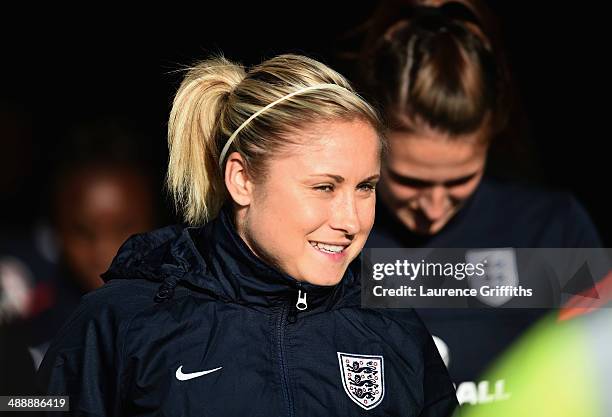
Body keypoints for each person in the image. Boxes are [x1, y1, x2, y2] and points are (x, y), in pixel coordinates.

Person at [36, 54, 458, 416]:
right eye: (324, 187)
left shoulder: (393, 326)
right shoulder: (122, 323)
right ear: (241, 180)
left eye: (365, 187)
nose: (351, 220)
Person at [352, 0, 603, 407]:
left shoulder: (553, 229)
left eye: (460, 182)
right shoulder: (337, 235)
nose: (433, 208)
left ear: (491, 139)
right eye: (409, 181)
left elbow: (599, 368)